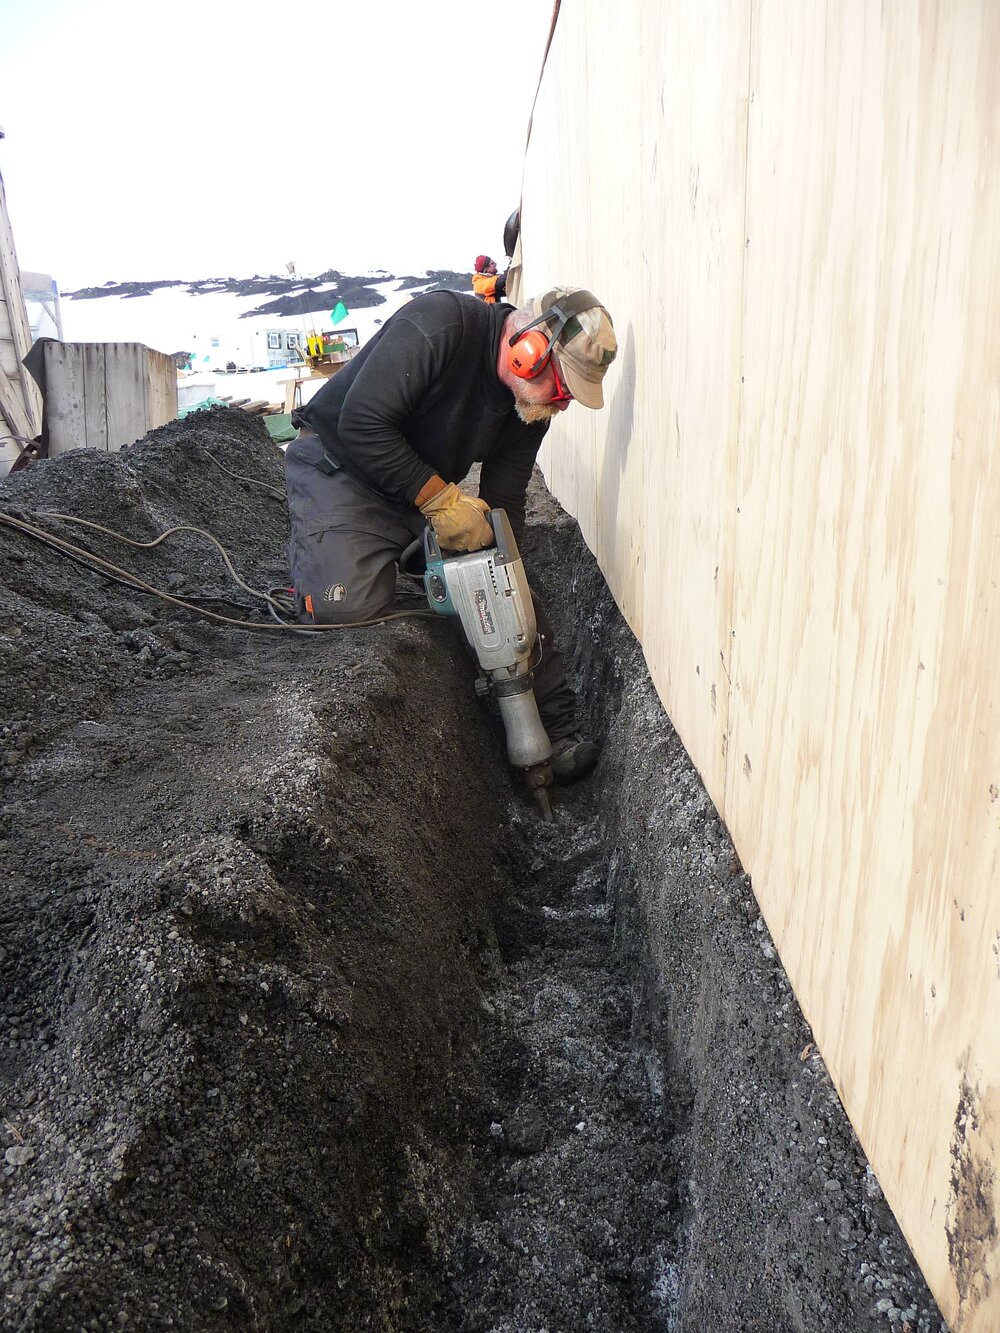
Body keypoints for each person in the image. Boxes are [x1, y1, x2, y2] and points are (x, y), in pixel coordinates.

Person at [283, 286, 618, 782]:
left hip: (417, 489)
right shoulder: (441, 325)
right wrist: (440, 502)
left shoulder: (530, 407)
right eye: (563, 387)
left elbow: (507, 495)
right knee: (343, 612)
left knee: (511, 593)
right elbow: (361, 423)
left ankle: (557, 728)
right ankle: (345, 560)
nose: (563, 403)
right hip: (344, 472)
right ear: (527, 352)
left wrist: (505, 580)